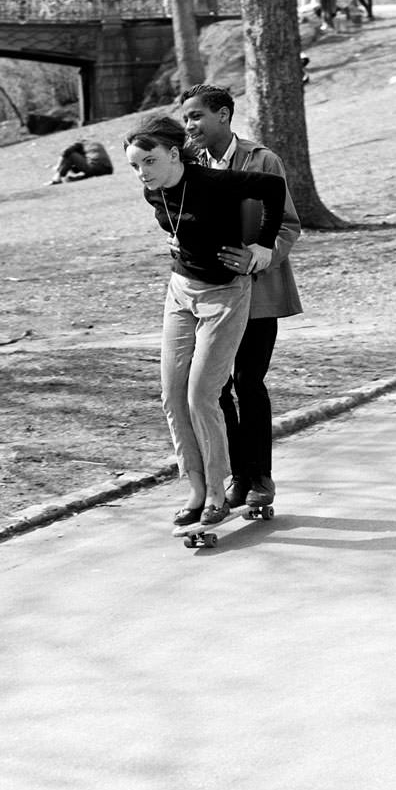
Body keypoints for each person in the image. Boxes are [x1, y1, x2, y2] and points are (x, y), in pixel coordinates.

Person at [123, 115, 286, 527]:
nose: (142, 173)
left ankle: (218, 490)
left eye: (149, 161)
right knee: (172, 395)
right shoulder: (154, 194)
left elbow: (273, 188)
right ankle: (195, 487)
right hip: (180, 292)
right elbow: (180, 224)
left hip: (225, 295)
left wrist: (262, 245)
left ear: (174, 154)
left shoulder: (215, 182)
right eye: (135, 166)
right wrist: (177, 243)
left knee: (201, 396)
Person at [179, 84, 302, 511]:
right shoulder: (189, 166)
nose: (189, 125)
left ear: (224, 115)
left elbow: (287, 224)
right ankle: (237, 477)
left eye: (196, 116)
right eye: (186, 118)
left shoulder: (262, 160)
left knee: (249, 383)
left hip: (259, 293)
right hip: (211, 295)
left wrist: (260, 253)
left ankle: (260, 479)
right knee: (218, 386)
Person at [48, 140, 113, 185]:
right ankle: (73, 179)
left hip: (94, 168)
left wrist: (58, 166)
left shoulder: (80, 143)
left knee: (71, 155)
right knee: (92, 168)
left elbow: (65, 152)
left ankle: (56, 179)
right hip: (108, 170)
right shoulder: (94, 145)